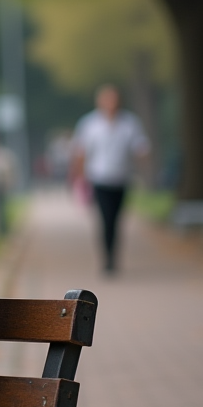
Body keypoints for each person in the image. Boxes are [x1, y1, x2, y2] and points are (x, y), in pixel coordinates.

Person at [70, 84, 150, 274]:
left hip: (121, 179)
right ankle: (108, 258)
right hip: (99, 179)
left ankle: (114, 254)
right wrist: (79, 177)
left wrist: (144, 164)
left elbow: (141, 147)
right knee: (105, 219)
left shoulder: (130, 123)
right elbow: (80, 152)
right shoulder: (90, 124)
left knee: (116, 219)